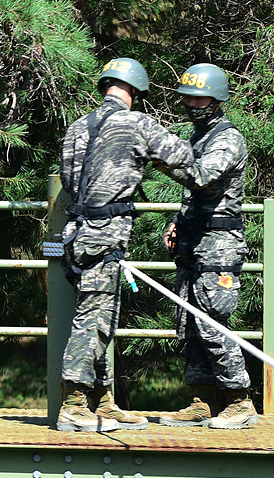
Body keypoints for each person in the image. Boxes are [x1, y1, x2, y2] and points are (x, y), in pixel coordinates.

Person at [57, 57, 193, 432]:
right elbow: (181, 159)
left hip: (79, 234)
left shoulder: (76, 127)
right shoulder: (136, 123)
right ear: (134, 91)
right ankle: (73, 405)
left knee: (105, 315)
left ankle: (101, 402)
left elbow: (70, 181)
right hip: (105, 236)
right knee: (93, 321)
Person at [159, 63, 256, 429]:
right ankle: (202, 400)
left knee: (213, 323)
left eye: (198, 97)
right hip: (194, 244)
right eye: (186, 97)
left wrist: (156, 150)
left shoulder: (227, 139)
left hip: (219, 248)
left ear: (216, 100)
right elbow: (192, 196)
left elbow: (201, 177)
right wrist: (177, 223)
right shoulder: (198, 138)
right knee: (187, 324)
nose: (190, 103)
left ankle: (239, 400)